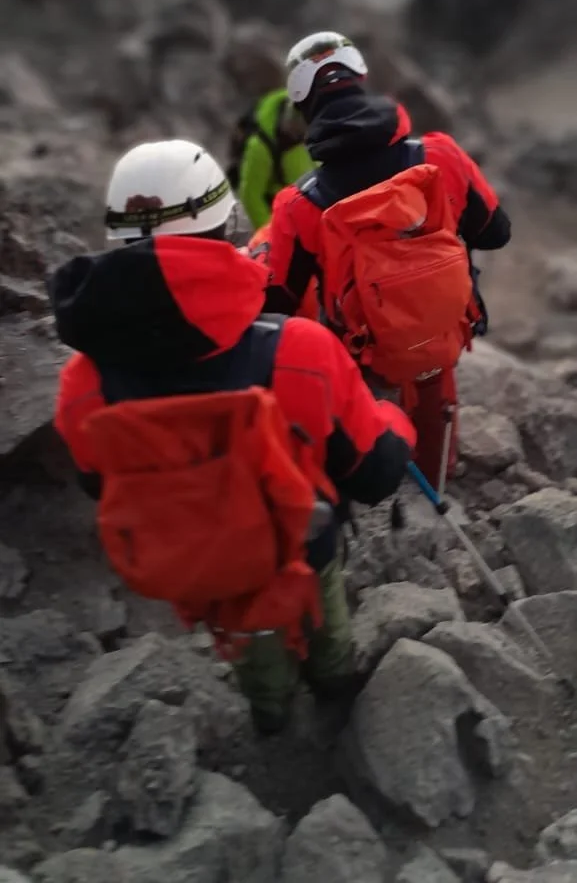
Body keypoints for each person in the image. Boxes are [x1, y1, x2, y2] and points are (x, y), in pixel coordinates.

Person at [50, 138, 415, 736]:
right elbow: (373, 475)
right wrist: (392, 421)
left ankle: (269, 716)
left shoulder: (82, 383)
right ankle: (333, 691)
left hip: (202, 565)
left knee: (251, 645)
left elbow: (99, 482)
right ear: (226, 228)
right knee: (326, 632)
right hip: (303, 550)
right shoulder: (300, 351)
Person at [261, 31, 512, 487]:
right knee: (434, 393)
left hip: (360, 364)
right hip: (439, 337)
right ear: (361, 79)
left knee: (366, 426)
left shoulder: (299, 206)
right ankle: (436, 487)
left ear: (302, 106)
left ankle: (378, 495)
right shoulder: (439, 156)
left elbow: (276, 305)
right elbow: (497, 233)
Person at [227, 88, 315, 229]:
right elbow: (251, 197)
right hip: (277, 214)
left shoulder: (311, 133)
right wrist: (272, 234)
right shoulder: (260, 147)